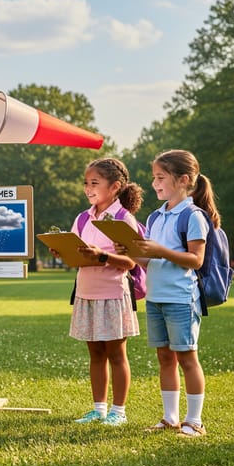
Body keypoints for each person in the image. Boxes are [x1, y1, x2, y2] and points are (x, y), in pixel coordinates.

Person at [129, 149, 218, 438]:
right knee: (165, 358)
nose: (155, 183)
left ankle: (195, 421)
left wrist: (158, 251)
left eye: (160, 177)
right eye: (154, 177)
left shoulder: (193, 215)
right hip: (155, 297)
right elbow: (150, 261)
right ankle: (170, 418)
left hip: (181, 297)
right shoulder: (155, 217)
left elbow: (196, 260)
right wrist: (132, 252)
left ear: (182, 180)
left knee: (187, 358)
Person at [66, 158, 143, 427]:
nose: (88, 188)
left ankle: (118, 412)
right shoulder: (83, 218)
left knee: (116, 354)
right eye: (86, 183)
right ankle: (98, 409)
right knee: (95, 355)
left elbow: (131, 263)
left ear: (115, 186)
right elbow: (77, 255)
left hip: (112, 294)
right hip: (86, 293)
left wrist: (102, 257)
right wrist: (63, 251)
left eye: (94, 183)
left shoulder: (124, 219)